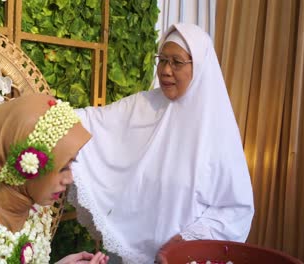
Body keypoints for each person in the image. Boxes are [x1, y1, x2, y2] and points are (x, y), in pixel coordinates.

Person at [67, 23, 255, 263]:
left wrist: (187, 240)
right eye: (162, 59)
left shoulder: (218, 128)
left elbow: (235, 208)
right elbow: (94, 122)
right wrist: (44, 113)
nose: (165, 70)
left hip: (181, 258)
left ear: (199, 66)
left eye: (176, 62)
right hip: (127, 252)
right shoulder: (144, 106)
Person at [0, 94, 109, 264]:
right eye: (62, 168)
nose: (69, 179)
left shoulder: (35, 210)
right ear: (28, 163)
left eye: (71, 164)